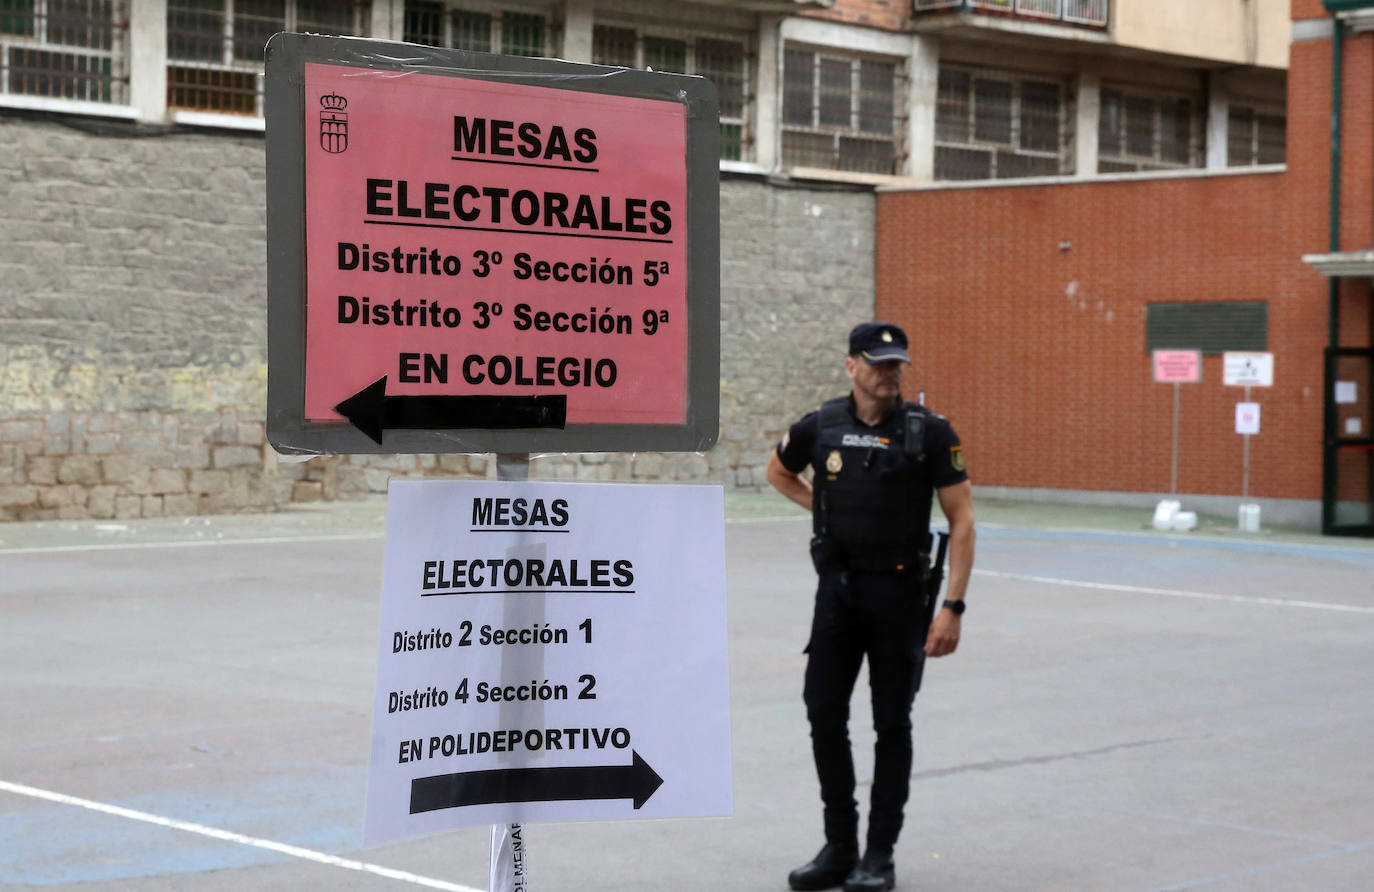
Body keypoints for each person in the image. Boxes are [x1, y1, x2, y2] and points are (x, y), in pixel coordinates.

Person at [766, 321, 975, 892]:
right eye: (878, 362)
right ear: (851, 366)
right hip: (837, 593)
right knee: (823, 714)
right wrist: (822, 510)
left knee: (891, 724)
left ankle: (878, 856)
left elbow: (962, 520)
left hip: (901, 596)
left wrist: (952, 605)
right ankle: (839, 846)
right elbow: (779, 470)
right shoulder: (823, 425)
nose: (889, 372)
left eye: (896, 363)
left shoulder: (929, 433)